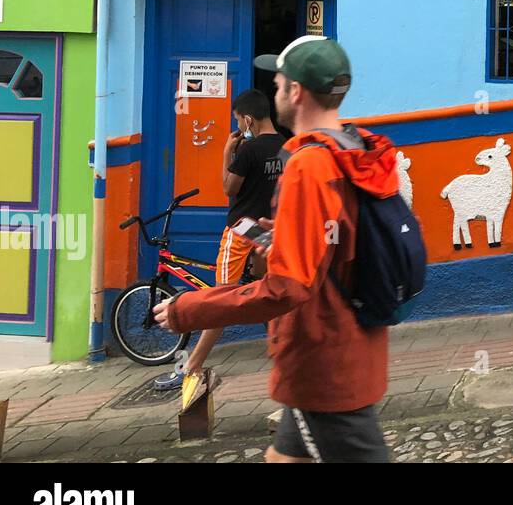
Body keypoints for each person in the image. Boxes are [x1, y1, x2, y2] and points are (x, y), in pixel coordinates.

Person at [155, 36, 399, 462]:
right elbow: (336, 245)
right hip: (345, 349)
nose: (275, 92)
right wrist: (286, 235)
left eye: (279, 83)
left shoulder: (309, 165)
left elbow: (287, 287)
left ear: (296, 92)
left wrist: (190, 309)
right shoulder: (353, 148)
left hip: (322, 361)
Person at [152, 89, 284, 391]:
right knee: (270, 292)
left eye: (239, 120)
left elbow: (229, 187)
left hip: (241, 230)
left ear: (248, 119)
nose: (239, 126)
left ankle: (192, 366)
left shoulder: (248, 152)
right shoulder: (286, 147)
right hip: (268, 231)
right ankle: (284, 353)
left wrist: (227, 153)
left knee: (221, 299)